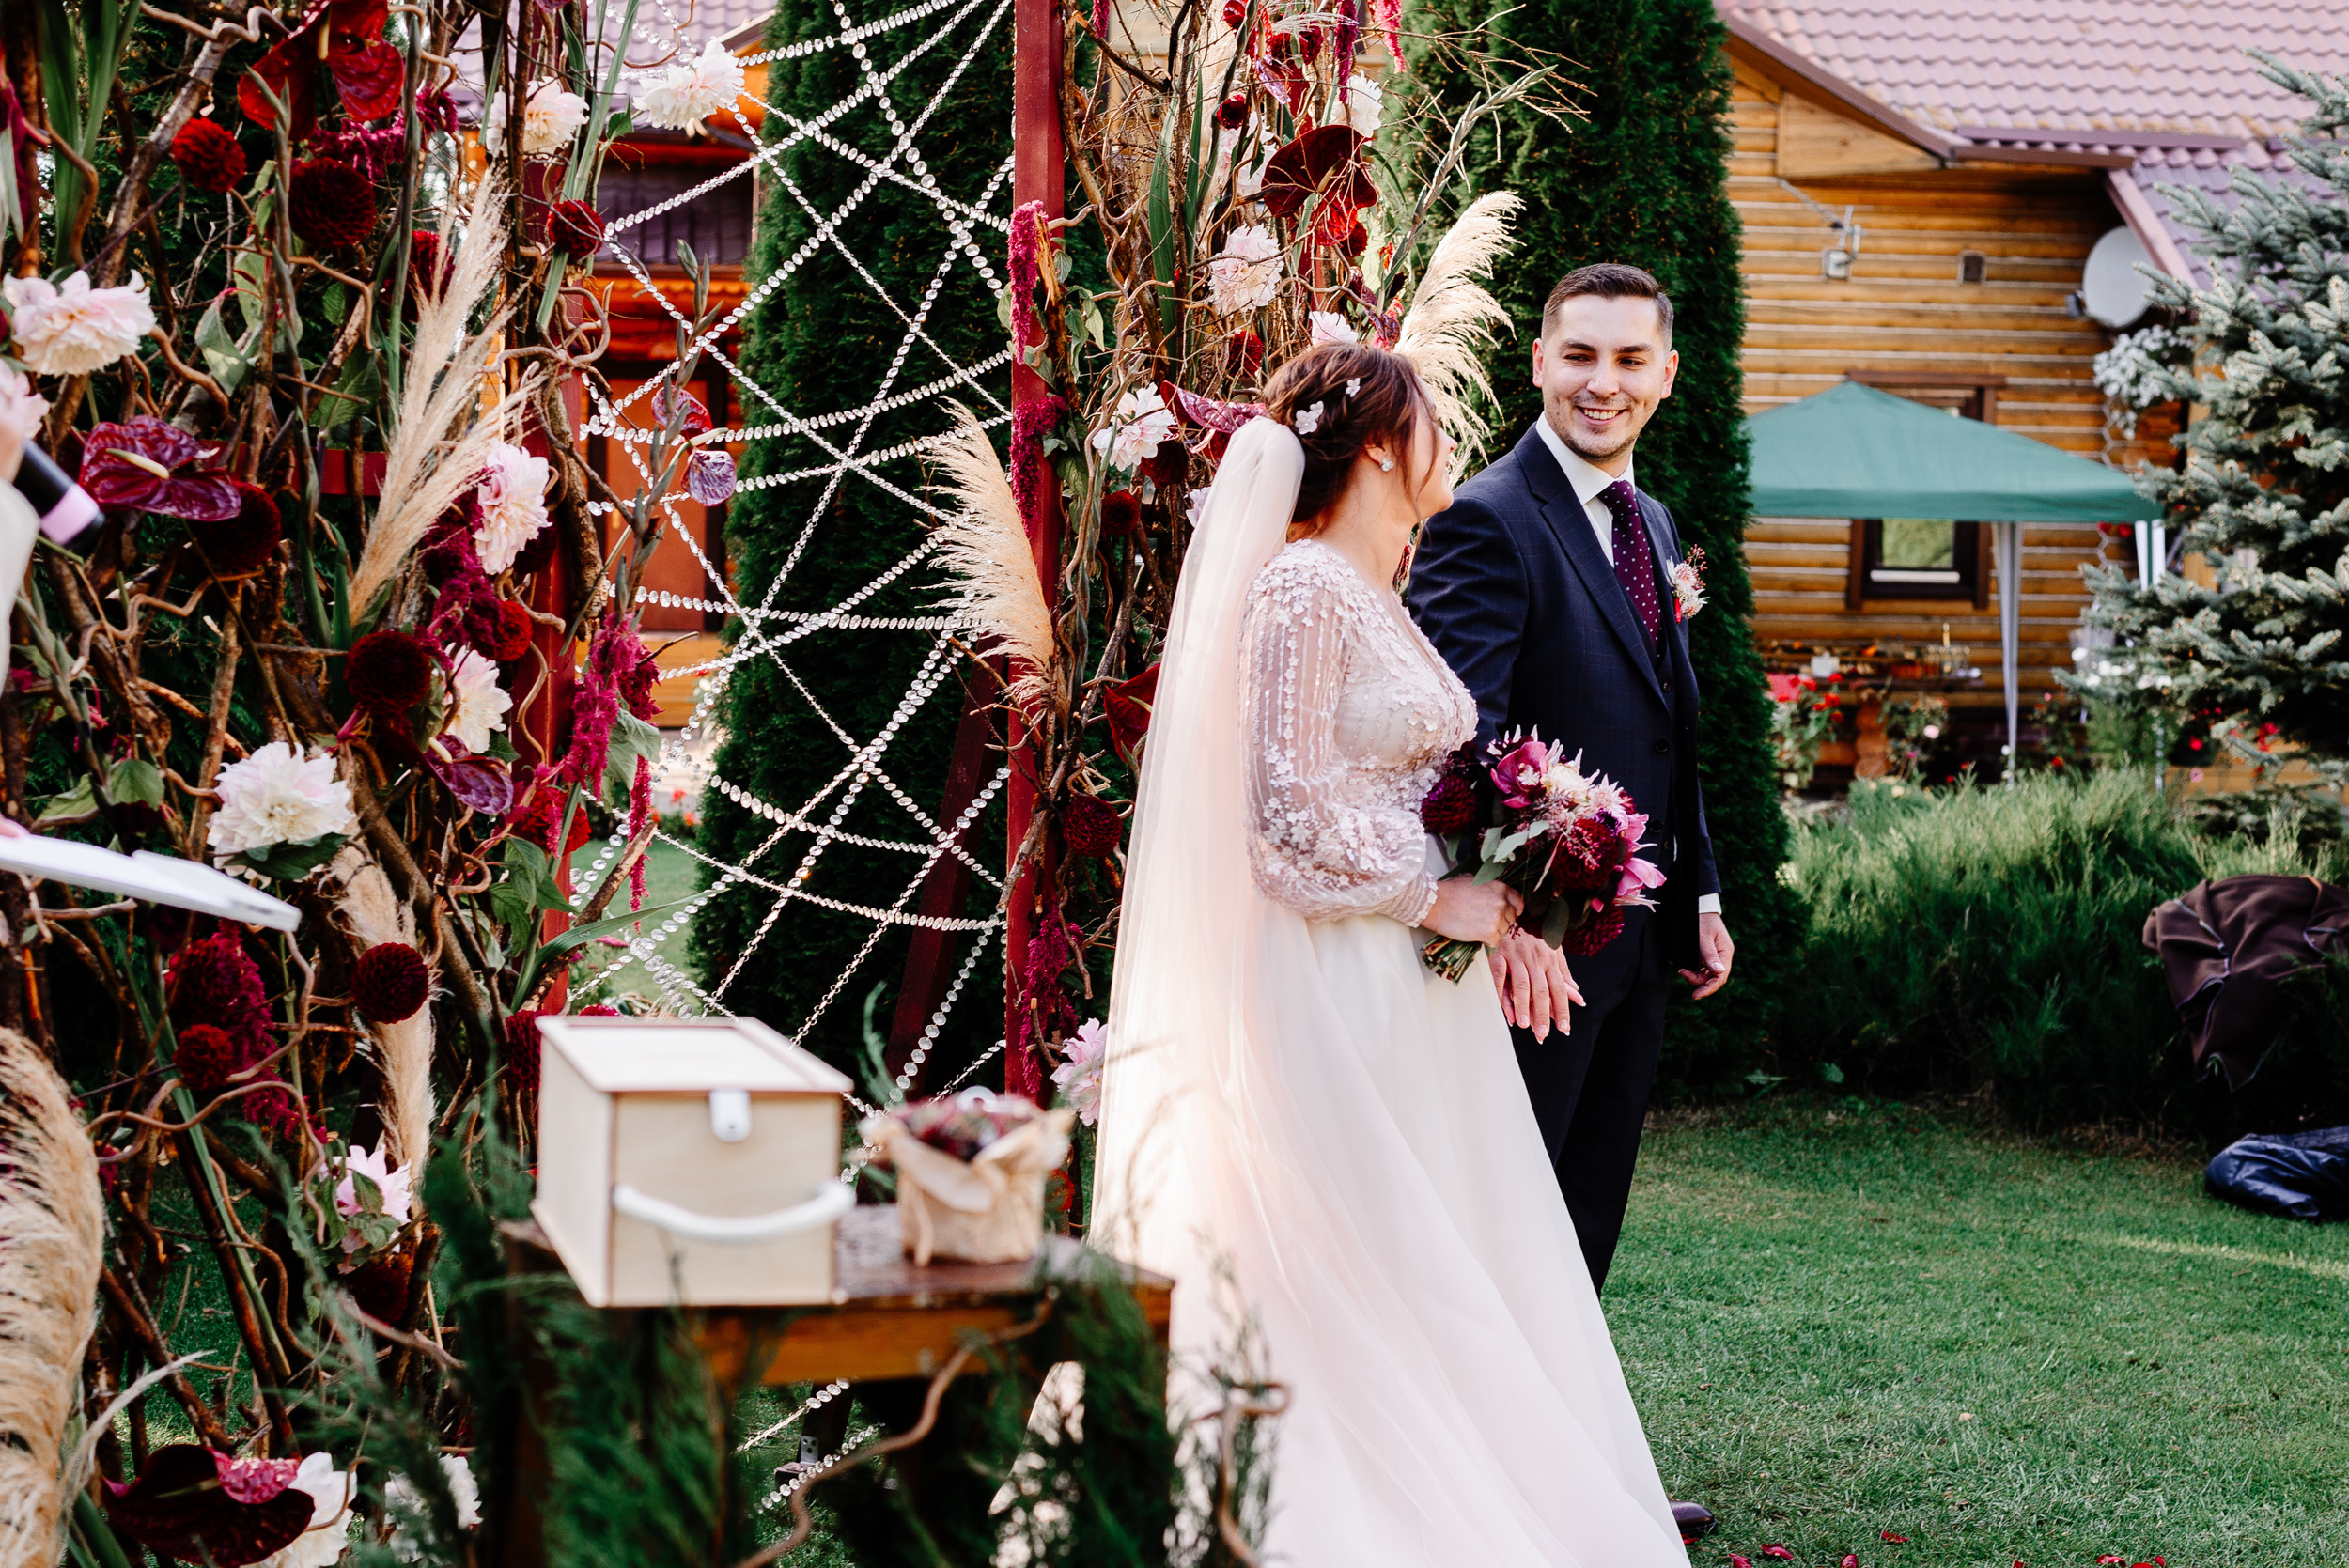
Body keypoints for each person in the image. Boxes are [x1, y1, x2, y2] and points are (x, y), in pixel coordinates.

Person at [1094, 342, 1686, 1564]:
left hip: (1409, 983)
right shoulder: (1300, 588)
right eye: (1429, 420)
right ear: (1377, 444)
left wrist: (1520, 873)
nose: (1450, 439)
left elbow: (1412, 785)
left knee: (1427, 1248)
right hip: (1336, 979)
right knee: (1350, 1257)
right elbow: (1282, 821)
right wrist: (1438, 896)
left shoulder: (1372, 586)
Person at [1408, 261, 1735, 1297]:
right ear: (1540, 361)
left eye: (1630, 359)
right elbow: (1464, 745)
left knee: (1586, 1217)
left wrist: (1702, 889)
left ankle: (1557, 1442)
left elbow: (1665, 728)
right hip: (1535, 954)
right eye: (1581, 355)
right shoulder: (1487, 518)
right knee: (1506, 1212)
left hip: (1639, 945)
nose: (1605, 382)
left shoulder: (1654, 524)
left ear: (1667, 373)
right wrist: (1509, 924)